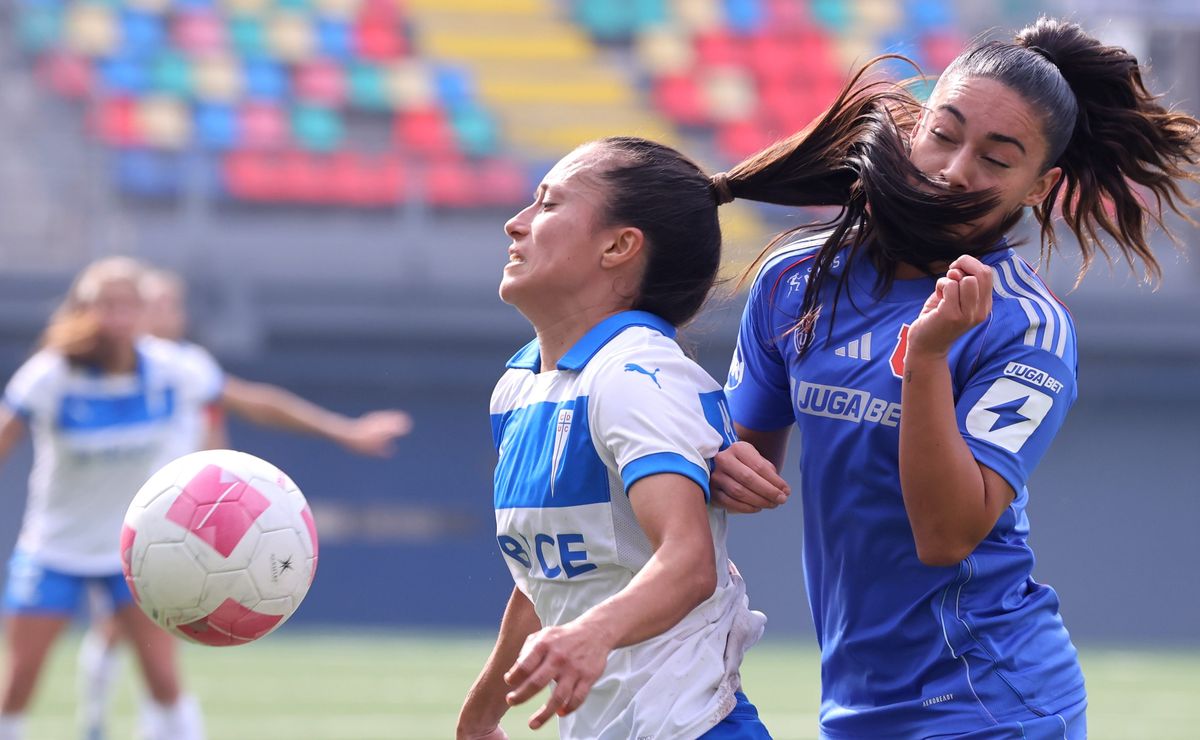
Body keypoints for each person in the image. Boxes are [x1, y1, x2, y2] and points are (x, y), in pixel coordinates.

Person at [706, 17, 1200, 738]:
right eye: (944, 133)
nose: (956, 168)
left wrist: (928, 359)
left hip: (990, 702)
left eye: (998, 159)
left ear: (1041, 186)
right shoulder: (799, 278)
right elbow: (743, 464)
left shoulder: (1025, 328)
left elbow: (945, 535)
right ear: (914, 129)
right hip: (855, 705)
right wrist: (711, 457)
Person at [456, 137, 785, 739]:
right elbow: (547, 581)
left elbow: (688, 564)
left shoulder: (637, 374)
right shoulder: (519, 388)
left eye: (549, 204)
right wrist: (485, 706)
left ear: (618, 245)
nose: (517, 222)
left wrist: (591, 634)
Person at [73, 266, 413, 740]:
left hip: (187, 527)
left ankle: (142, 723)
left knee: (150, 637)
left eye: (173, 305)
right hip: (139, 523)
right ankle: (100, 716)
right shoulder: (91, 371)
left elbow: (249, 405)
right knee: (123, 631)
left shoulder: (186, 368)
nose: (168, 314)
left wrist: (343, 430)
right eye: (156, 304)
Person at [0, 258, 214, 740]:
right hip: (54, 547)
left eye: (128, 305)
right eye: (106, 305)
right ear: (84, 310)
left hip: (135, 553)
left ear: (146, 311)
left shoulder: (173, 368)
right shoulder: (50, 374)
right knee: (19, 682)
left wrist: (343, 432)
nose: (117, 316)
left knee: (163, 680)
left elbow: (251, 401)